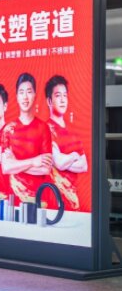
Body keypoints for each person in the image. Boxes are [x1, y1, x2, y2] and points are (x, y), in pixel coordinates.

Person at [1, 73, 52, 205]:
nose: (25, 97)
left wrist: (15, 163)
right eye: (21, 92)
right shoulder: (9, 129)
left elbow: (46, 169)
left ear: (35, 95)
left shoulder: (43, 127)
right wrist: (34, 161)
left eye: (29, 92)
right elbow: (6, 167)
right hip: (14, 198)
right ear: (17, 96)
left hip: (39, 198)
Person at [45, 75, 87, 210]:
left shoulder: (73, 133)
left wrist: (64, 160)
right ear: (49, 101)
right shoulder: (45, 130)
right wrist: (74, 156)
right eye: (58, 96)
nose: (63, 100)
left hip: (74, 202)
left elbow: (84, 166)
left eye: (65, 95)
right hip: (53, 202)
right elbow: (59, 162)